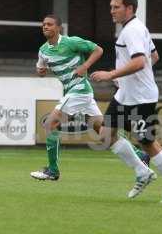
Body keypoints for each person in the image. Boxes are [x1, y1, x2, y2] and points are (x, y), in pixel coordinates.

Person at [91, 0, 162, 203]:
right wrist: (125, 79)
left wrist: (111, 74)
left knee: (147, 142)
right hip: (126, 94)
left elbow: (139, 62)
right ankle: (143, 172)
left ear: (130, 8)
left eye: (116, 7)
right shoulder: (135, 28)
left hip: (141, 98)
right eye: (111, 7)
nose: (112, 11)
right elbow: (154, 56)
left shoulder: (132, 31)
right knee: (106, 133)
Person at [30, 14, 150, 181]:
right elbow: (40, 70)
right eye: (44, 24)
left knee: (51, 123)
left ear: (58, 28)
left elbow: (98, 50)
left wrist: (85, 66)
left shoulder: (71, 42)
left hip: (78, 90)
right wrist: (41, 72)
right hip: (76, 93)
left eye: (49, 24)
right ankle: (140, 155)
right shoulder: (43, 50)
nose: (45, 27)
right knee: (104, 132)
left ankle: (52, 170)